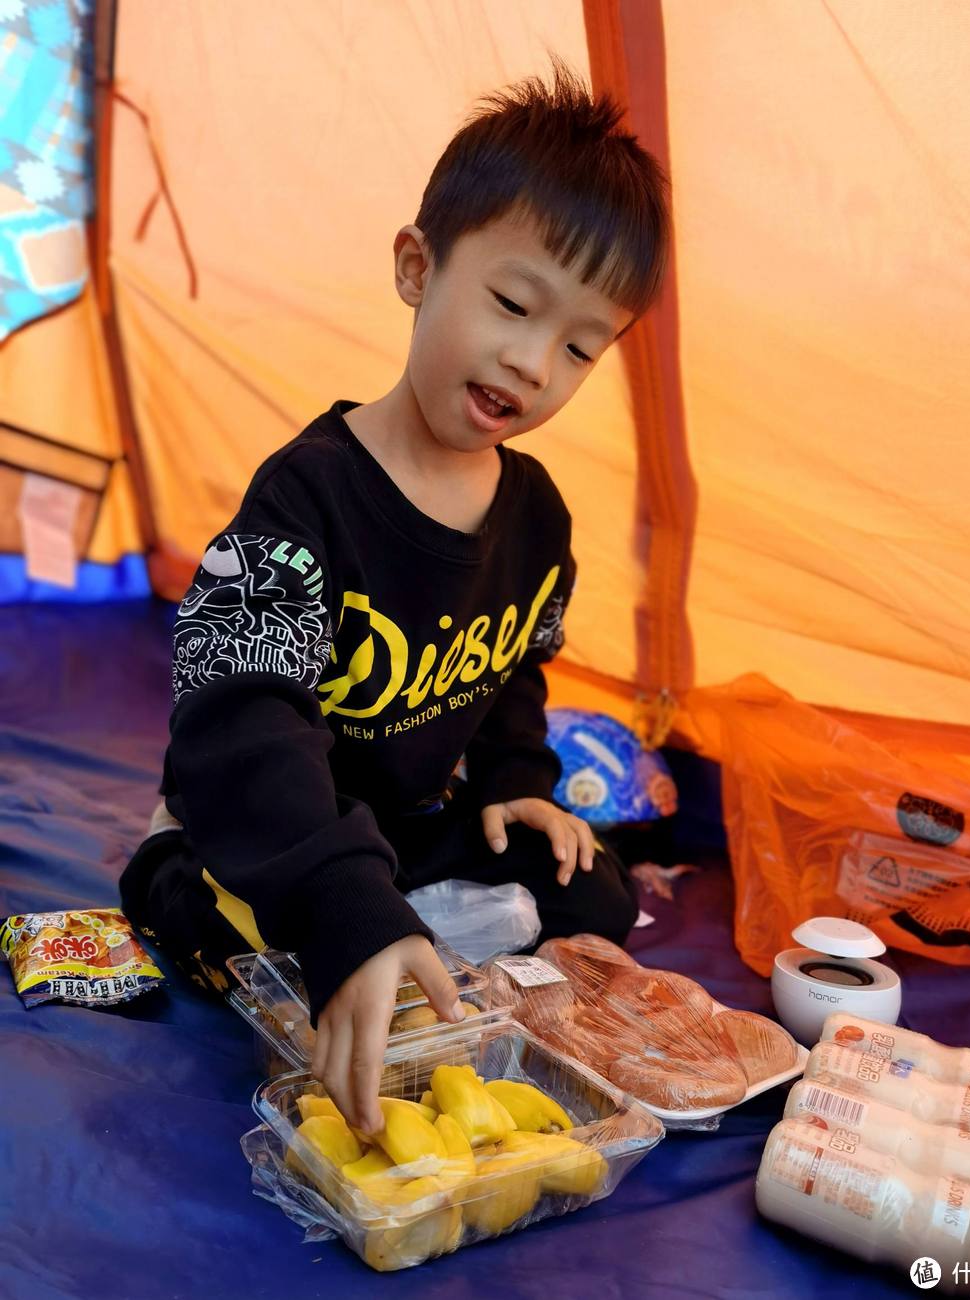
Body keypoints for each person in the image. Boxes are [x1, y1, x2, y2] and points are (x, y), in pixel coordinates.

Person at [119, 56, 672, 1135]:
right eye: (513, 303)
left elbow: (515, 661)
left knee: (594, 889)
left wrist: (518, 779)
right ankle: (318, 913)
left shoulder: (538, 514)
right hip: (274, 815)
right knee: (215, 914)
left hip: (404, 823)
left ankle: (389, 922)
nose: (531, 361)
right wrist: (339, 906)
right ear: (418, 267)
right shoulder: (307, 495)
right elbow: (240, 713)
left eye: (578, 346)